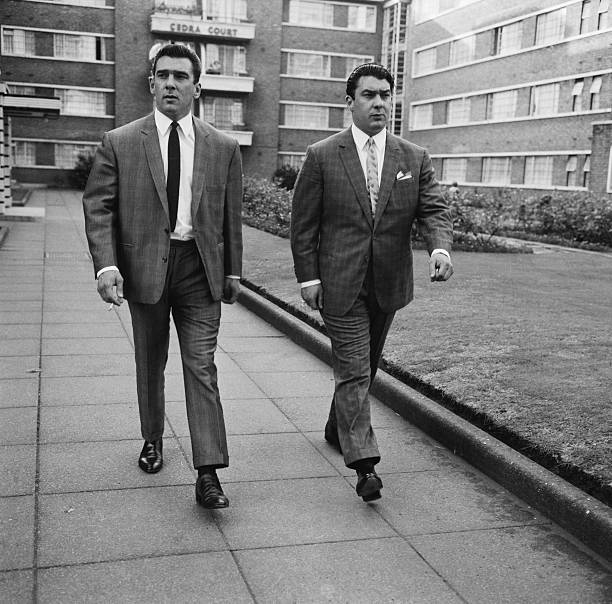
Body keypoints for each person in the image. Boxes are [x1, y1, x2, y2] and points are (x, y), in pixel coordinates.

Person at [82, 43, 243, 509]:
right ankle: (152, 437)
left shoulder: (223, 147)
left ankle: (208, 472)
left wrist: (232, 270)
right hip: (145, 267)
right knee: (150, 363)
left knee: (201, 367)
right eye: (163, 75)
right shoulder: (122, 141)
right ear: (152, 83)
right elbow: (99, 205)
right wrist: (107, 265)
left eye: (181, 76)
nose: (171, 83)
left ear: (197, 86)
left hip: (198, 268)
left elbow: (229, 216)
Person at [290, 63, 454, 503]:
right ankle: (365, 465)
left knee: (363, 368)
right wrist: (308, 277)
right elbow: (303, 225)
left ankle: (335, 427)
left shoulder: (412, 157)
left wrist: (439, 248)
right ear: (351, 102)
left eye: (385, 95)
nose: (379, 102)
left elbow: (433, 211)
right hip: (339, 283)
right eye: (369, 95)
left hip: (388, 284)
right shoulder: (322, 155)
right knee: (355, 369)